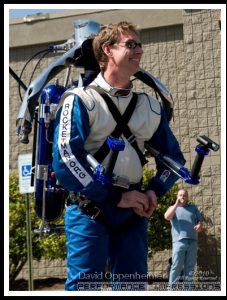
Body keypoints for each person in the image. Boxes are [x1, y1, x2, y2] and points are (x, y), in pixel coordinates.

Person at [52, 21, 185, 291]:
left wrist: (154, 191)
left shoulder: (150, 107)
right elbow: (66, 159)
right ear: (108, 50)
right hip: (89, 209)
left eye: (140, 45)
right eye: (131, 44)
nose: (139, 51)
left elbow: (175, 160)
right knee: (84, 288)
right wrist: (115, 197)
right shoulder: (79, 100)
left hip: (133, 213)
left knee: (132, 287)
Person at [164, 189, 203, 290]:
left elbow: (199, 221)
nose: (182, 197)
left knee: (190, 268)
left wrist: (199, 225)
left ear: (187, 197)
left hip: (193, 241)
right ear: (177, 196)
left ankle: (188, 290)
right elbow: (167, 217)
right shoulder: (172, 208)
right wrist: (176, 205)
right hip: (179, 242)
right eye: (180, 195)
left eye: (185, 195)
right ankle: (171, 290)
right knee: (176, 267)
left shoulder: (193, 208)